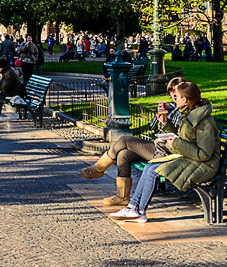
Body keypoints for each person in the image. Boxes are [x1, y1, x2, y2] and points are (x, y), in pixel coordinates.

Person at [108, 81, 220, 223]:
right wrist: (166, 125)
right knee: (149, 167)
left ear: (185, 100)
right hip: (190, 158)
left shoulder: (204, 122)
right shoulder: (190, 114)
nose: (175, 99)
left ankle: (140, 211)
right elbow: (185, 137)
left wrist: (177, 143)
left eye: (177, 97)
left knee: (154, 171)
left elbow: (204, 154)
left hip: (205, 165)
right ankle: (132, 207)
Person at [79, 77, 186, 206]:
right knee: (123, 154)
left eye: (176, 95)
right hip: (159, 146)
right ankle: (122, 196)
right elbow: (152, 127)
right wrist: (161, 118)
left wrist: (165, 134)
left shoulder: (185, 111)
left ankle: (98, 168)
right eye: (171, 94)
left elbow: (181, 136)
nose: (174, 98)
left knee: (124, 140)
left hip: (168, 151)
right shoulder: (171, 107)